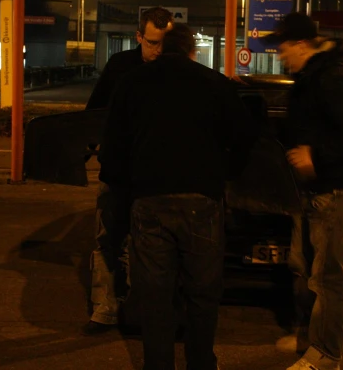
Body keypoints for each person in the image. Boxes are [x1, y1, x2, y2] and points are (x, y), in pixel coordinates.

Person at [98, 23, 257, 370]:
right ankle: (201, 363)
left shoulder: (132, 83)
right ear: (192, 51)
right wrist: (224, 174)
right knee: (202, 293)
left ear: (162, 48)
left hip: (149, 200)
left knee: (155, 296)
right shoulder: (215, 84)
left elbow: (111, 148)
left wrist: (126, 188)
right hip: (201, 201)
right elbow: (245, 137)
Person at [262, 13, 343, 370]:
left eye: (282, 49)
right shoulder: (311, 77)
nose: (280, 56)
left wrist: (314, 154)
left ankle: (326, 355)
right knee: (306, 267)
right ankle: (311, 339)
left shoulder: (332, 78)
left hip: (338, 190)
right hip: (315, 190)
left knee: (327, 277)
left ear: (300, 44)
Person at [82, 6, 173, 335]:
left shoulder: (171, 71)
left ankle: (136, 310)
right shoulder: (120, 67)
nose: (157, 50)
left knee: (145, 245)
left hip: (151, 175)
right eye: (151, 42)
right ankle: (105, 307)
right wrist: (93, 147)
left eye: (163, 43)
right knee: (108, 239)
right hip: (119, 170)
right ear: (138, 37)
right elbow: (94, 111)